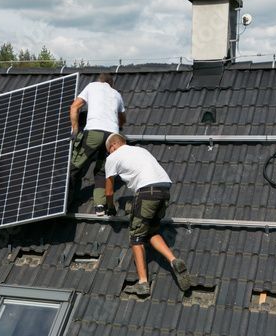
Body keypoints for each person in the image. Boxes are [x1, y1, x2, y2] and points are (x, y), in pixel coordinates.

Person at [104, 133, 192, 298]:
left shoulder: (113, 156)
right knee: (151, 231)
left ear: (112, 146)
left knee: (136, 236)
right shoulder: (140, 150)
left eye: (109, 151)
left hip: (146, 191)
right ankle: (173, 260)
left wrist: (110, 208)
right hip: (164, 190)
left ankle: (143, 283)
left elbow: (108, 191)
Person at [69, 73, 126, 215]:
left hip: (94, 132)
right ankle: (100, 206)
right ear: (111, 84)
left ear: (99, 81)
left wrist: (75, 130)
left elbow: (75, 107)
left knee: (74, 168)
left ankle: (63, 199)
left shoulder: (91, 86)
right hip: (112, 136)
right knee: (102, 171)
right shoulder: (117, 94)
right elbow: (122, 119)